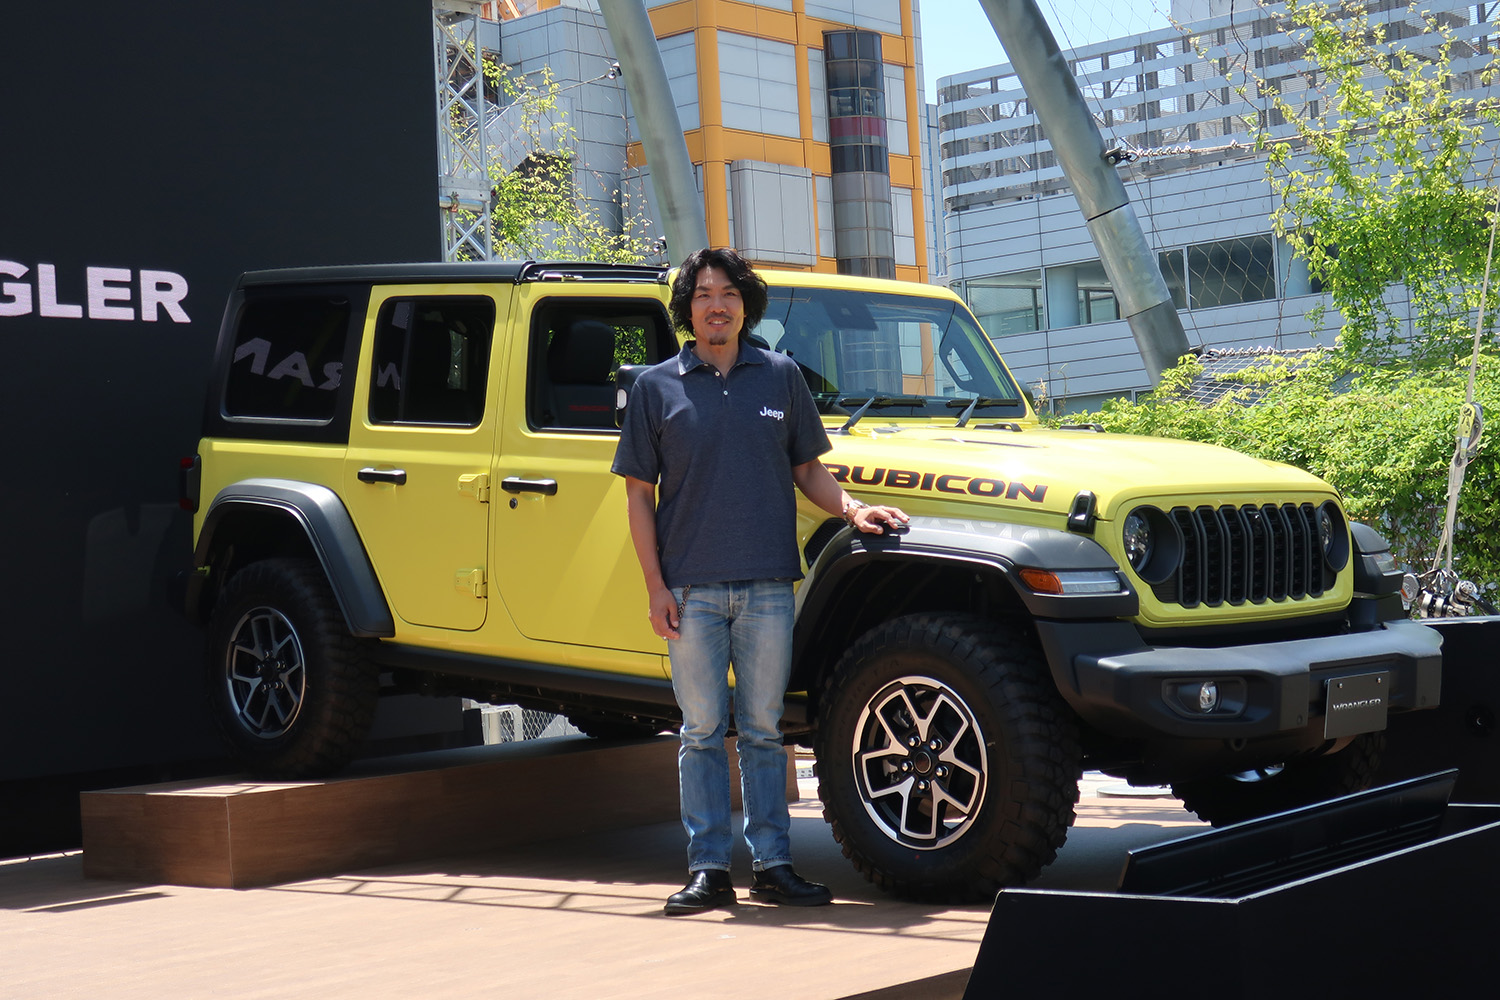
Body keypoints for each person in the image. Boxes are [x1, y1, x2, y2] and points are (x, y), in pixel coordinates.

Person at [611, 247, 909, 916]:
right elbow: (637, 495)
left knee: (764, 730)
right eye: (703, 294)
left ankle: (774, 866)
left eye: (728, 294)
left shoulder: (779, 378)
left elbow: (810, 471)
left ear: (746, 304)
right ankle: (708, 868)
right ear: (687, 309)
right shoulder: (658, 387)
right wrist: (655, 586)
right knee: (700, 731)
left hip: (771, 585)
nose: (716, 304)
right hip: (689, 589)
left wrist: (855, 509)